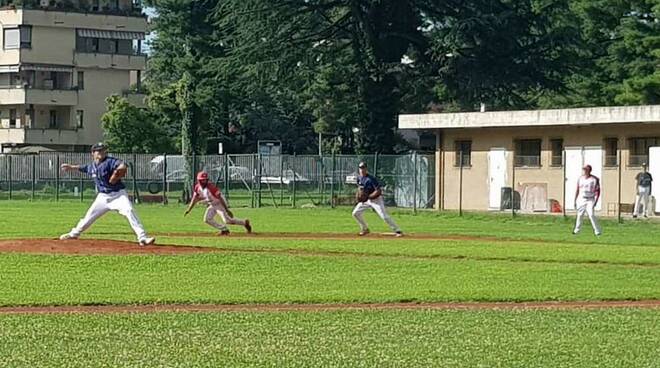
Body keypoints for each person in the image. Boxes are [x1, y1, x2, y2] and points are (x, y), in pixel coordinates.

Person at [59, 143, 155, 245]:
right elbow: (83, 168)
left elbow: (122, 164)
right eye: (99, 150)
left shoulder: (109, 161)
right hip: (103, 197)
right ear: (93, 153)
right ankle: (74, 234)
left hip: (118, 195)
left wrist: (118, 171)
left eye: (103, 150)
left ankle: (142, 238)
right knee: (88, 217)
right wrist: (70, 167)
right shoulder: (92, 166)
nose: (102, 152)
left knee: (129, 211)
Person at [184, 171, 252, 235]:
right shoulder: (197, 187)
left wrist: (227, 210)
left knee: (227, 221)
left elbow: (220, 198)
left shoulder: (211, 187)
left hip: (220, 203)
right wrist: (189, 209)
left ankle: (244, 223)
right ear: (199, 180)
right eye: (202, 180)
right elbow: (195, 198)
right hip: (212, 204)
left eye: (205, 179)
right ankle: (224, 230)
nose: (204, 181)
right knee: (207, 219)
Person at [352, 162, 403, 237]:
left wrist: (369, 197)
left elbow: (378, 191)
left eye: (363, 168)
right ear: (359, 169)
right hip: (366, 200)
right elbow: (360, 189)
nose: (362, 170)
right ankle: (365, 228)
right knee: (355, 213)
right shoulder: (359, 178)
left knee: (384, 216)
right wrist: (359, 196)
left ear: (366, 169)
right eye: (360, 168)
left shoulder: (371, 179)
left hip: (376, 199)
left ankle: (398, 230)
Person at [573, 165, 602, 236]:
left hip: (590, 199)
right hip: (582, 198)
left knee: (591, 214)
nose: (584, 171)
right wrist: (575, 199)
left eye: (586, 169)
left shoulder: (594, 179)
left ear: (589, 170)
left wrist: (596, 201)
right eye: (584, 169)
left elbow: (598, 191)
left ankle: (597, 231)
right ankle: (576, 230)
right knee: (580, 214)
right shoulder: (580, 178)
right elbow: (577, 189)